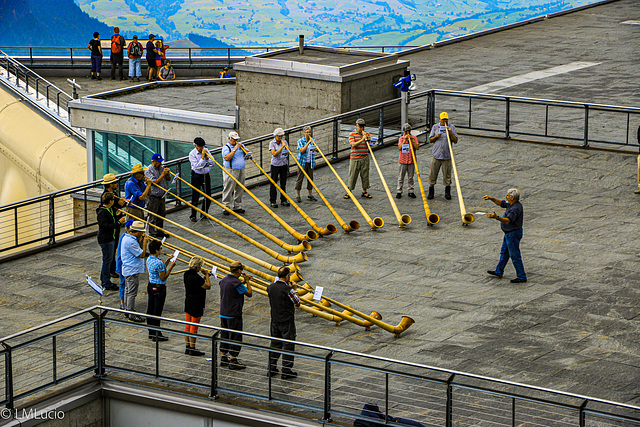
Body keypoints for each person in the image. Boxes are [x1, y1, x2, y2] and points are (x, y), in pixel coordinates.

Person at [484, 189, 527, 283]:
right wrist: (491, 198)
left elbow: (508, 220)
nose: (506, 197)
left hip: (513, 234)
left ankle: (522, 276)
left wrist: (496, 217)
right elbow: (501, 203)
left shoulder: (515, 208)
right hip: (508, 233)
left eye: (507, 195)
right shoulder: (511, 204)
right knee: (504, 253)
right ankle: (499, 271)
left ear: (512, 198)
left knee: (515, 255)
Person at [267, 266, 301, 380]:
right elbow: (297, 302)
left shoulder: (270, 287)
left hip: (275, 320)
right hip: (287, 321)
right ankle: (286, 370)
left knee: (275, 344)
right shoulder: (288, 290)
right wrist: (294, 288)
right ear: (287, 276)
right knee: (288, 345)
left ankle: (271, 368)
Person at [219, 261, 253, 370]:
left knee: (224, 334)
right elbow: (249, 293)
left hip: (223, 312)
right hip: (234, 313)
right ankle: (233, 359)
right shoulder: (237, 283)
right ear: (239, 270)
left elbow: (233, 288)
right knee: (235, 336)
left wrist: (242, 281)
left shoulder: (224, 280)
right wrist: (247, 281)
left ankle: (224, 357)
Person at [146, 240, 176, 341]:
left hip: (151, 285)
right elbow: (163, 277)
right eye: (160, 248)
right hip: (159, 288)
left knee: (150, 309)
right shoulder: (159, 263)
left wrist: (167, 261)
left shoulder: (150, 259)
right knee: (157, 311)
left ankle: (151, 332)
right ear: (157, 249)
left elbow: (160, 268)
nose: (161, 250)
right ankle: (157, 333)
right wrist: (171, 267)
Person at [96, 192, 125, 291]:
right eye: (113, 199)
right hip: (106, 239)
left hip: (110, 238)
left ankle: (105, 280)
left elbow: (111, 222)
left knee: (107, 260)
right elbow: (105, 226)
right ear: (110, 201)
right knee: (107, 261)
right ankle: (106, 282)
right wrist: (118, 223)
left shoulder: (109, 209)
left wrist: (117, 217)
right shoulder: (102, 212)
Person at [120, 220, 148, 322]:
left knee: (128, 291)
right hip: (132, 269)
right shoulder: (131, 241)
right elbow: (141, 254)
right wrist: (144, 243)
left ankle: (128, 309)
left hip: (129, 268)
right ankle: (131, 313)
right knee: (131, 292)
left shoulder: (127, 237)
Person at [184, 256, 211, 356]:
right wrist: (207, 276)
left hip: (189, 301)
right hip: (196, 303)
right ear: (198, 267)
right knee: (194, 327)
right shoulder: (196, 277)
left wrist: (204, 278)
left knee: (188, 325)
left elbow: (199, 282)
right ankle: (193, 348)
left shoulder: (186, 274)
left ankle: (187, 346)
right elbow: (207, 286)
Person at [427, 112, 458, 200]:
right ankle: (431, 191)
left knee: (447, 175)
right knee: (433, 174)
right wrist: (436, 136)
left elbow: (455, 140)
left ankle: (447, 192)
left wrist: (450, 132)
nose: (445, 121)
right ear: (439, 119)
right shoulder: (435, 127)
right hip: (436, 155)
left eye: (446, 119)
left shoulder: (452, 127)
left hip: (446, 156)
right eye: (443, 119)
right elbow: (430, 140)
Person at [102, 173, 124, 279]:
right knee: (110, 252)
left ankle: (112, 269)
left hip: (115, 226)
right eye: (115, 182)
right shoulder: (106, 197)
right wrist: (118, 218)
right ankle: (111, 271)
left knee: (113, 249)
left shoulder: (113, 194)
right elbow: (109, 214)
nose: (116, 184)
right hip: (111, 229)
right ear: (110, 184)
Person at [188, 137, 214, 222]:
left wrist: (207, 158)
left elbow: (213, 162)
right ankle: (193, 215)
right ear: (195, 146)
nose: (201, 149)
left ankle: (204, 213)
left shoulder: (206, 150)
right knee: (195, 195)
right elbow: (197, 167)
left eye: (202, 146)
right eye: (199, 147)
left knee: (208, 195)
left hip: (206, 175)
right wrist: (203, 158)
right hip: (196, 176)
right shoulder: (192, 154)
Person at [144, 154, 170, 238]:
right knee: (152, 215)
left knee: (161, 214)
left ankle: (159, 231)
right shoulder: (148, 170)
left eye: (161, 162)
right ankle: (152, 233)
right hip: (153, 196)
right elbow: (154, 183)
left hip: (162, 195)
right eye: (159, 162)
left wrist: (167, 174)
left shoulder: (161, 168)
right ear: (153, 161)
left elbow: (168, 179)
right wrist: (162, 174)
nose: (161, 163)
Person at [346, 118, 372, 199]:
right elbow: (353, 145)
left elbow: (369, 146)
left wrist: (369, 141)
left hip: (365, 157)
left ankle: (364, 191)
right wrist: (362, 139)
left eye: (363, 127)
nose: (362, 129)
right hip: (355, 158)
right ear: (356, 126)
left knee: (365, 175)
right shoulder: (352, 134)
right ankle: (349, 191)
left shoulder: (367, 134)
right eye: (360, 127)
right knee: (352, 175)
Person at [221, 131, 247, 215]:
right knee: (228, 188)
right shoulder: (226, 148)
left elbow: (248, 153)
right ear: (229, 139)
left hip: (241, 169)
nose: (235, 141)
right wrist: (235, 149)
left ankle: (237, 206)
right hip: (231, 170)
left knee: (240, 188)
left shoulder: (240, 145)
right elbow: (227, 158)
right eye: (234, 139)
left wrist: (245, 149)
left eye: (236, 139)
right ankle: (226, 206)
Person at [396, 123, 419, 199]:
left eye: (409, 131)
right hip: (403, 161)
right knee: (401, 177)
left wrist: (412, 141)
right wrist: (404, 140)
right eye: (406, 131)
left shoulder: (414, 138)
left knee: (411, 177)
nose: (407, 133)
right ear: (403, 131)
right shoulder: (401, 138)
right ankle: (399, 191)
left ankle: (411, 191)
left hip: (411, 161)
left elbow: (417, 147)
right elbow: (399, 147)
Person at [295, 126, 317, 203]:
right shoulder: (300, 141)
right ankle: (298, 195)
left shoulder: (313, 140)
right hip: (302, 162)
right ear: (304, 133)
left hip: (310, 161)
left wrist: (315, 147)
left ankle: (310, 194)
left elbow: (317, 149)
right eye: (307, 132)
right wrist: (308, 143)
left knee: (310, 178)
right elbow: (302, 150)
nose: (309, 133)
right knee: (300, 178)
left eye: (309, 132)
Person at [269, 128, 290, 208]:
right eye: (279, 136)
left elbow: (288, 151)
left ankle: (283, 199)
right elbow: (274, 154)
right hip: (275, 165)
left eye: (281, 136)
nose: (280, 138)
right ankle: (273, 200)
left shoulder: (285, 142)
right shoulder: (272, 143)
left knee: (283, 182)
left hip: (283, 164)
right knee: (273, 183)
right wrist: (282, 147)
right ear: (276, 136)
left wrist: (286, 148)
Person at [115, 220, 134, 310]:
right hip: (124, 264)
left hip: (126, 265)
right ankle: (123, 302)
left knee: (126, 285)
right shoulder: (126, 238)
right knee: (123, 284)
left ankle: (125, 302)